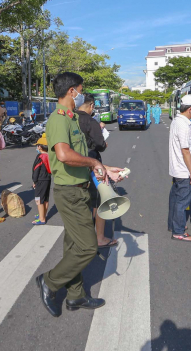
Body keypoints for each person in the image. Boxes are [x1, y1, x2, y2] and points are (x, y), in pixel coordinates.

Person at [36, 72, 125, 318]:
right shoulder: (58, 119)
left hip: (82, 189)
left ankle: (75, 296)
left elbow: (83, 158)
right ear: (72, 91)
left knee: (74, 244)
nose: (82, 94)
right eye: (81, 90)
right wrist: (93, 163)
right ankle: (50, 281)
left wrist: (104, 168)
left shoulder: (73, 118)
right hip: (69, 192)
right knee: (87, 247)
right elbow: (64, 155)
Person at [76, 93, 116, 248]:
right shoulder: (90, 121)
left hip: (75, 165)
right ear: (91, 105)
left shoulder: (70, 119)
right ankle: (99, 238)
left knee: (82, 202)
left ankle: (83, 237)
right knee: (99, 201)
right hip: (93, 164)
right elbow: (100, 145)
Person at [168, 94, 191, 242]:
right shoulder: (184, 125)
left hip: (177, 168)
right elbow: (185, 150)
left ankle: (174, 225)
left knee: (175, 199)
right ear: (190, 109)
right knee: (182, 202)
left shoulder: (178, 121)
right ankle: (178, 232)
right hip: (183, 170)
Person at [32, 134, 51, 225]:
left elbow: (36, 170)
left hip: (40, 180)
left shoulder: (40, 157)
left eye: (37, 145)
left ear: (40, 147)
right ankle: (43, 214)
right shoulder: (49, 156)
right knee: (45, 198)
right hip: (47, 179)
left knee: (39, 199)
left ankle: (41, 218)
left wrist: (35, 181)